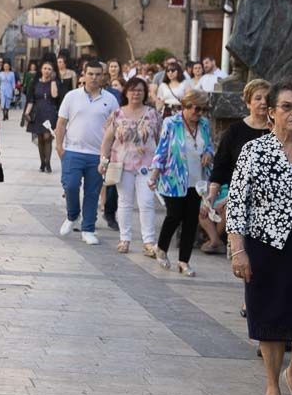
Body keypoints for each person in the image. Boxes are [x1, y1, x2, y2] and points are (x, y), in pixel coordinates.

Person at [228, 81, 292, 395]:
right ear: (271, 112)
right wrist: (238, 251)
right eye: (287, 106)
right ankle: (272, 386)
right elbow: (237, 203)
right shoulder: (256, 150)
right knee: (269, 318)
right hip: (264, 245)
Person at [148, 90, 214, 275]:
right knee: (174, 215)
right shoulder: (171, 123)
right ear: (185, 106)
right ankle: (161, 248)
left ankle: (184, 261)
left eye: (202, 109)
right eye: (194, 107)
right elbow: (161, 151)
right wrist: (154, 175)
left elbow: (209, 145)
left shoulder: (204, 124)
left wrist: (209, 153)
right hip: (174, 179)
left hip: (197, 180)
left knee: (191, 221)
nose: (197, 112)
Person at [205, 79, 272, 264]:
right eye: (257, 98)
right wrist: (213, 194)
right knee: (243, 257)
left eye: (267, 98)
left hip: (268, 202)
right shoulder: (235, 131)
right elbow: (221, 164)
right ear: (248, 101)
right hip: (238, 197)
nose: (263, 102)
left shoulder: (277, 131)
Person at [56, 60, 118, 244]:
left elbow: (115, 128)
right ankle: (72, 215)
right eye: (90, 74)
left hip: (97, 154)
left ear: (103, 77)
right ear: (83, 75)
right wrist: (59, 147)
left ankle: (88, 229)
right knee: (71, 185)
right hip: (73, 150)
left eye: (98, 74)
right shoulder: (71, 96)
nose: (94, 78)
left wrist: (109, 155)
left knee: (92, 192)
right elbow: (61, 123)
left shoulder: (110, 100)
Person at [98, 77, 161, 255]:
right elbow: (107, 141)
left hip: (147, 166)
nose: (136, 93)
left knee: (147, 202)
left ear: (145, 93)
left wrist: (161, 164)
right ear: (126, 92)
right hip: (122, 164)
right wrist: (103, 161)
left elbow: (161, 140)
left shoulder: (153, 114)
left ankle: (148, 241)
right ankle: (124, 239)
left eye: (140, 90)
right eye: (132, 90)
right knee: (124, 202)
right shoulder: (118, 114)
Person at [25, 59, 60, 172]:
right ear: (41, 70)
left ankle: (48, 164)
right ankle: (42, 163)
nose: (47, 71)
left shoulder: (54, 82)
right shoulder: (35, 83)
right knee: (40, 137)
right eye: (45, 68)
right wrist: (26, 113)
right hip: (37, 111)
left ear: (52, 71)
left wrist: (53, 80)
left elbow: (54, 95)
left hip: (50, 111)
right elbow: (31, 99)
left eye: (49, 69)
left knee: (47, 137)